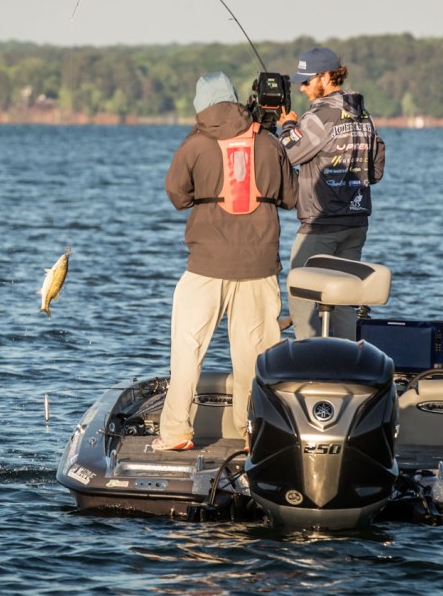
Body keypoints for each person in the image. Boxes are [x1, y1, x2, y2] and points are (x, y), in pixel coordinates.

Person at [154, 71, 298, 452]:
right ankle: (254, 433)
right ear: (237, 100)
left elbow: (176, 195)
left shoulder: (195, 145)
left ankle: (176, 433)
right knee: (255, 356)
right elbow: (292, 196)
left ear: (201, 107)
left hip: (206, 264)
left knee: (187, 349)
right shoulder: (268, 142)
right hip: (259, 265)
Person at [277, 47, 386, 340]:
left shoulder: (320, 116)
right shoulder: (364, 115)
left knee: (301, 293)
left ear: (326, 77)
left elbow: (287, 153)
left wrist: (288, 126)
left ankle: (309, 358)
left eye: (306, 81)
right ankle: (346, 358)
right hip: (356, 223)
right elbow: (375, 172)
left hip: (321, 226)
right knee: (345, 299)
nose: (302, 88)